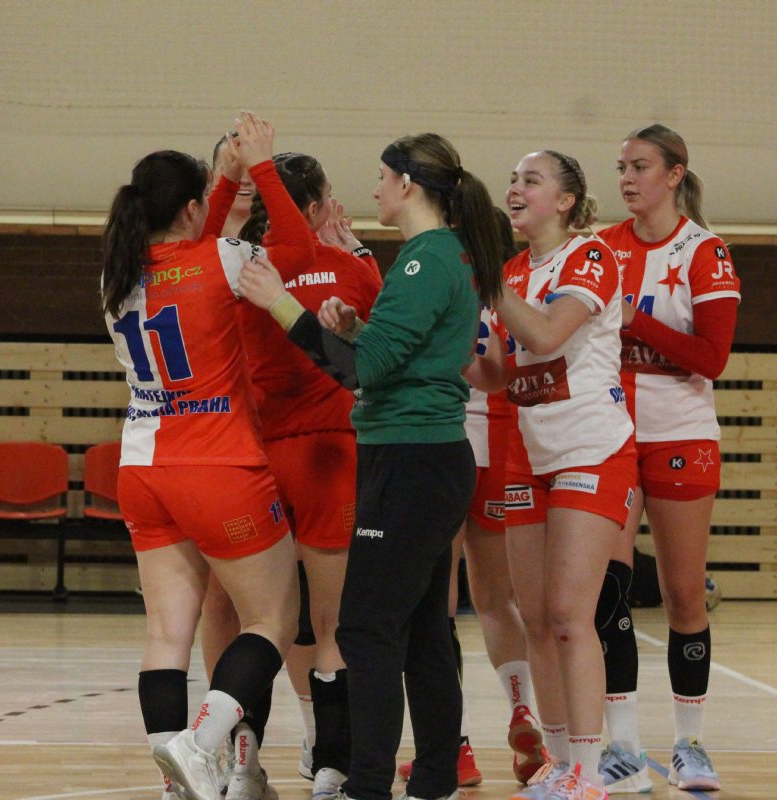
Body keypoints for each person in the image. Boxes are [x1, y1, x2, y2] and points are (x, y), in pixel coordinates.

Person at [240, 132, 503, 800]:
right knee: (423, 631)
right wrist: (356, 328)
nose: (375, 190)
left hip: (411, 463)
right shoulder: (439, 255)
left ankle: (367, 784)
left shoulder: (425, 260)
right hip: (427, 458)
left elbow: (363, 372)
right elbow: (395, 355)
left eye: (383, 178)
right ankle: (435, 777)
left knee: (364, 627)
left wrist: (279, 300)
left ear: (408, 185)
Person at [102, 113, 313, 800]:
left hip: (142, 468)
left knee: (167, 635)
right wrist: (261, 168)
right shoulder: (221, 260)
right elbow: (299, 249)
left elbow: (194, 244)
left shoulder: (116, 277)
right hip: (219, 468)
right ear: (191, 209)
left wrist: (219, 183)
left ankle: (174, 781)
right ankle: (199, 744)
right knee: (273, 620)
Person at [466, 149, 635, 800]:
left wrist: (488, 283)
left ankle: (589, 773)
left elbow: (543, 335)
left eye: (530, 181)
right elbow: (496, 375)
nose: (515, 189)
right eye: (512, 180)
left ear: (565, 201)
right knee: (535, 616)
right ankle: (559, 765)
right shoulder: (511, 271)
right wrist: (444, 342)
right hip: (529, 453)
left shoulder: (590, 256)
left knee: (569, 614)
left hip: (590, 448)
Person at [594, 123, 740, 794]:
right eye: (622, 167)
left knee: (683, 593)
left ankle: (690, 744)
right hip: (611, 438)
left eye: (640, 166)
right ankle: (622, 746)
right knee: (609, 591)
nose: (627, 178)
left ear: (675, 174)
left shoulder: (704, 251)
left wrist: (637, 321)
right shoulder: (602, 248)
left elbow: (712, 358)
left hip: (681, 436)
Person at [235, 155, 382, 800]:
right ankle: (331, 765)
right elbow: (382, 348)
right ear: (318, 208)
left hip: (259, 456)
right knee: (334, 621)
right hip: (332, 455)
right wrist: (361, 258)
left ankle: (245, 763)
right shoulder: (349, 268)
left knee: (264, 620)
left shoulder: (242, 270)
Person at [396, 213, 547, 790]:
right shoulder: (513, 288)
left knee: (437, 603)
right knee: (495, 600)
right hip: (501, 445)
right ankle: (522, 710)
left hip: (446, 439)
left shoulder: (436, 276)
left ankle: (452, 746)